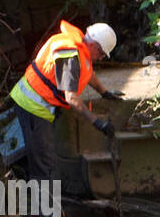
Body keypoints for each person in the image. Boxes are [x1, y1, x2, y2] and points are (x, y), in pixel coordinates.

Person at [8, 20, 125, 187]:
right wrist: (97, 122)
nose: (100, 58)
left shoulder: (80, 49)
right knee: (44, 166)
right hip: (32, 106)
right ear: (93, 45)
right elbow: (71, 98)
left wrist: (104, 92)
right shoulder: (69, 57)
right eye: (101, 54)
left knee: (46, 159)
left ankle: (47, 207)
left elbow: (88, 72)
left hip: (40, 105)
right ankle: (46, 212)